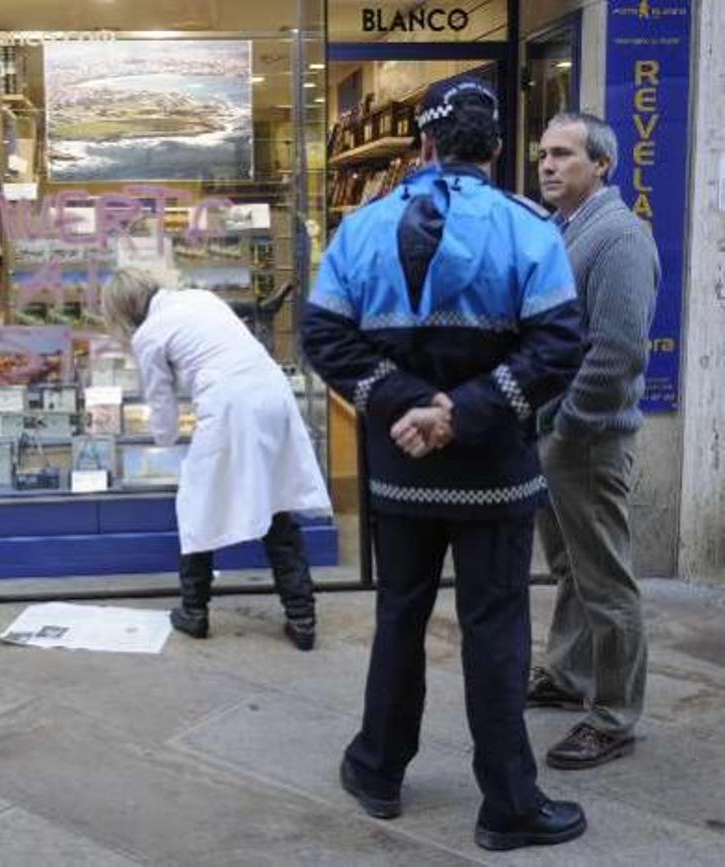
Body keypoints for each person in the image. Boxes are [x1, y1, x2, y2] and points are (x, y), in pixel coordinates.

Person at [301, 78, 587, 851]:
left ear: (422, 146)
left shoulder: (361, 230)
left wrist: (404, 404)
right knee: (496, 633)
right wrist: (462, 412)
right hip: (495, 471)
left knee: (399, 616)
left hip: (399, 472)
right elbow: (559, 346)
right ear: (496, 148)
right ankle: (508, 806)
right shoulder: (533, 229)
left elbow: (324, 338)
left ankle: (376, 769)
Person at [101, 268, 332, 651]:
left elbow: (163, 416)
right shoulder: (200, 297)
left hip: (229, 405)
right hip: (273, 395)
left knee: (197, 506)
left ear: (123, 311)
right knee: (276, 505)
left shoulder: (149, 335)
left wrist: (165, 437)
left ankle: (194, 610)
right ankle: (302, 616)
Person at [530, 112, 659, 769]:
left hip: (588, 440)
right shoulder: (565, 230)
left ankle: (613, 716)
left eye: (563, 154)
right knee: (572, 571)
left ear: (602, 164)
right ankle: (567, 674)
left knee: (607, 582)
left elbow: (616, 355)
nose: (548, 165)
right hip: (559, 433)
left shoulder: (618, 239)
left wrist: (569, 425)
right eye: (543, 154)